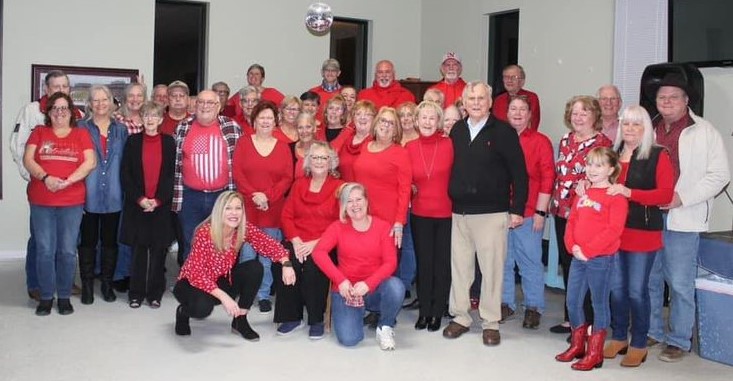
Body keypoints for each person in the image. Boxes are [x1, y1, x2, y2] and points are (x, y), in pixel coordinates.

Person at [646, 73, 730, 362]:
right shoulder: (649, 129)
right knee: (650, 279)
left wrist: (682, 197)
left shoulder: (704, 131)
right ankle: (653, 330)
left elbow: (720, 176)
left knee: (680, 283)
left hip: (684, 216)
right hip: (648, 218)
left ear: (686, 101)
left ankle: (679, 339)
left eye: (673, 97)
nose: (667, 102)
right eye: (662, 97)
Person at [442, 81, 528, 347]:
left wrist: (517, 209)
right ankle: (460, 316)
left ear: (490, 102)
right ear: (464, 103)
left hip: (492, 213)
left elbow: (519, 174)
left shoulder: (503, 131)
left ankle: (490, 322)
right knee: (460, 269)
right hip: (460, 213)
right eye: (471, 98)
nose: (476, 103)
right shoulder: (456, 130)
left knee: (491, 271)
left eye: (481, 98)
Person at [600, 105, 674, 367]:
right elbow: (602, 183)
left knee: (636, 291)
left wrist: (631, 193)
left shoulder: (658, 155)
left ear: (646, 129)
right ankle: (619, 337)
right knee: (616, 290)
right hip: (614, 232)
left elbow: (665, 195)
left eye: (636, 124)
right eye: (626, 124)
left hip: (643, 233)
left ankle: (640, 343)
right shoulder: (614, 153)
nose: (630, 129)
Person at [173, 191, 295, 340]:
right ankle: (183, 312)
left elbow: (267, 244)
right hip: (191, 283)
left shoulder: (242, 229)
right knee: (202, 309)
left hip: (220, 280)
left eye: (238, 208)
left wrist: (286, 263)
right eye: (228, 208)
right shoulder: (205, 232)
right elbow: (197, 273)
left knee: (254, 268)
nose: (234, 213)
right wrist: (224, 297)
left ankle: (240, 320)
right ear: (219, 211)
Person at [9, 70, 83, 301]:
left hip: (69, 190)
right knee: (41, 240)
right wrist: (34, 176)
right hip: (42, 187)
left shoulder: (77, 114)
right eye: (55, 86)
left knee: (68, 241)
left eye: (65, 86)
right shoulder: (32, 111)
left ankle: (64, 282)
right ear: (46, 89)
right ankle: (37, 284)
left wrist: (69, 180)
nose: (60, 90)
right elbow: (17, 145)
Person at [555, 147, 628, 371]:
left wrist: (588, 250)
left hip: (600, 259)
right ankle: (578, 345)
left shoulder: (615, 198)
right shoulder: (582, 193)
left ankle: (595, 352)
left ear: (611, 169)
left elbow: (613, 231)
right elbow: (572, 221)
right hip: (578, 257)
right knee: (573, 301)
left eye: (599, 165)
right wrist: (572, 246)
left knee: (599, 303)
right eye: (589, 164)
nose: (592, 169)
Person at [23, 92, 96, 315]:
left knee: (66, 250)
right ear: (49, 112)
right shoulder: (39, 132)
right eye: (55, 108)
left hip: (71, 200)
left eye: (64, 108)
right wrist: (46, 177)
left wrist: (68, 181)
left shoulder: (81, 134)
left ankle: (63, 296)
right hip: (42, 200)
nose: (60, 112)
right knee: (45, 250)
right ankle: (46, 297)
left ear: (72, 112)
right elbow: (28, 159)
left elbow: (90, 162)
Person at [311, 183, 405, 350]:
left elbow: (390, 262)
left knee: (396, 287)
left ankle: (385, 326)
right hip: (348, 291)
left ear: (367, 201)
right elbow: (318, 253)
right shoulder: (337, 227)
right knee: (349, 339)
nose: (355, 205)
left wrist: (368, 284)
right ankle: (358, 312)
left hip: (374, 288)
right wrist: (340, 281)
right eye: (349, 201)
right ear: (343, 206)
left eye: (358, 199)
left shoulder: (382, 227)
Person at [549, 95, 613, 334]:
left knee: (585, 265)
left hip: (587, 213)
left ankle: (587, 325)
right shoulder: (566, 140)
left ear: (595, 116)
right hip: (562, 210)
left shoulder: (602, 142)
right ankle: (572, 320)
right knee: (569, 265)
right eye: (575, 112)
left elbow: (607, 177)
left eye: (584, 112)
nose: (578, 117)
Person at [275, 141, 344, 339]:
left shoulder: (338, 187)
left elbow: (339, 222)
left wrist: (315, 244)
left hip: (324, 242)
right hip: (297, 239)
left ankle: (316, 319)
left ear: (331, 162)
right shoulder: (299, 184)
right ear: (308, 161)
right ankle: (291, 317)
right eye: (315, 157)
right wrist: (296, 241)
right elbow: (287, 216)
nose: (319, 161)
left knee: (315, 266)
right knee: (288, 262)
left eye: (324, 158)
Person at [233, 101, 294, 313]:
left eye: (270, 117)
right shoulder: (243, 143)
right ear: (254, 120)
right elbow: (238, 173)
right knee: (248, 254)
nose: (266, 121)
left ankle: (264, 295)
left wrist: (267, 196)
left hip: (273, 208)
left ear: (275, 121)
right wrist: (254, 196)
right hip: (248, 208)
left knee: (267, 256)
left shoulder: (283, 147)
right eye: (262, 117)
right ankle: (245, 293)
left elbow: (287, 178)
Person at [500, 95, 555, 329]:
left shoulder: (540, 141)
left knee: (530, 261)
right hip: (500, 211)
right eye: (513, 108)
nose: (518, 113)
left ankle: (533, 306)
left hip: (530, 211)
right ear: (506, 112)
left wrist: (541, 213)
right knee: (502, 260)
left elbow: (547, 177)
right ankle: (505, 303)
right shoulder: (498, 138)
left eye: (523, 109)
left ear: (530, 115)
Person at [172, 90, 242, 264]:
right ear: (194, 106)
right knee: (191, 242)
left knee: (221, 243)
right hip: (190, 197)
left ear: (219, 106)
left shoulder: (231, 127)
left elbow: (241, 161)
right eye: (201, 102)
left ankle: (217, 285)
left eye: (210, 103)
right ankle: (191, 285)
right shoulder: (183, 126)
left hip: (222, 196)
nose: (204, 106)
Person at [119, 102, 176, 308]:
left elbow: (171, 175)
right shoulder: (133, 141)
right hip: (138, 205)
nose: (150, 120)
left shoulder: (169, 143)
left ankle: (154, 293)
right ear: (141, 119)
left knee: (159, 251)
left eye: (155, 116)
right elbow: (125, 174)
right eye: (146, 116)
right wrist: (141, 199)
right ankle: (136, 293)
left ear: (161, 119)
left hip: (161, 206)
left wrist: (158, 200)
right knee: (139, 251)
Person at [77, 85, 129, 304]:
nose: (100, 104)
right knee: (87, 241)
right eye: (95, 100)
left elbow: (127, 163)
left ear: (111, 102)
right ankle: (87, 286)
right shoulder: (80, 128)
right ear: (89, 104)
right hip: (87, 193)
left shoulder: (121, 129)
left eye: (104, 100)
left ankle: (107, 284)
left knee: (110, 241)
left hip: (115, 195)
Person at [405, 101, 453, 331]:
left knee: (442, 265)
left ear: (439, 121)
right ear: (416, 121)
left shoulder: (450, 144)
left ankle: (437, 312)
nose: (427, 122)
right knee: (424, 265)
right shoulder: (410, 147)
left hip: (446, 214)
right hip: (420, 214)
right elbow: (405, 181)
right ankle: (424, 311)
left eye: (432, 118)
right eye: (423, 117)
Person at [353, 107, 412, 249]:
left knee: (384, 264)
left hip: (387, 218)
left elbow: (405, 190)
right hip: (362, 213)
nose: (385, 125)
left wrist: (399, 222)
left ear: (396, 131)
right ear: (376, 123)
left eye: (391, 123)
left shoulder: (401, 153)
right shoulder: (365, 146)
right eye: (383, 120)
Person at [492, 64, 541, 131]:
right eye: (506, 77)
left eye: (514, 77)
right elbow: (494, 125)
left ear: (522, 81)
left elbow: (532, 125)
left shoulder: (531, 98)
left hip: (524, 139)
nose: (509, 80)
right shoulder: (498, 100)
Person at [335, 100, 375, 182]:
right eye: (358, 114)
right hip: (344, 190)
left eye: (367, 114)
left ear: (374, 119)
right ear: (353, 118)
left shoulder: (376, 142)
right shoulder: (345, 139)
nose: (362, 117)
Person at [290, 112, 317, 180]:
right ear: (296, 130)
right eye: (300, 127)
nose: (304, 131)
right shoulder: (288, 149)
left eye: (308, 127)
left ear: (314, 128)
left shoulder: (323, 150)